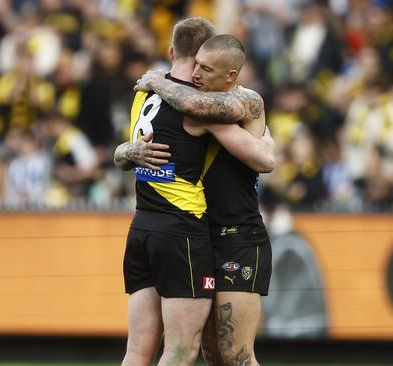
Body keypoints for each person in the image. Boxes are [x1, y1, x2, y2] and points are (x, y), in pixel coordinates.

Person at [115, 18, 274, 366]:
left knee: (232, 354)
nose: (199, 75)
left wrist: (158, 81)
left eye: (208, 68)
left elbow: (266, 159)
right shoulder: (198, 103)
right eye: (198, 66)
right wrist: (127, 151)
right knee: (203, 351)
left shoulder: (165, 95)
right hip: (189, 231)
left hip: (234, 234)